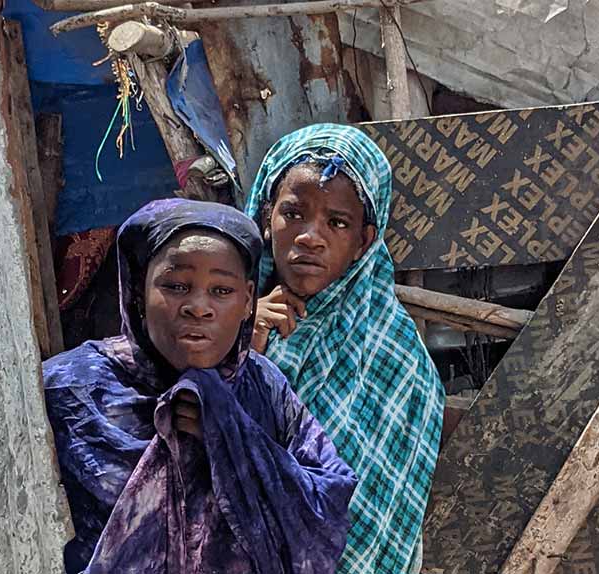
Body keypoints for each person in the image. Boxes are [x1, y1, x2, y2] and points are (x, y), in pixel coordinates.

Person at [43, 198, 357, 574]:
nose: (198, 307)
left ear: (247, 300)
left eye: (221, 291)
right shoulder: (70, 390)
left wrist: (231, 436)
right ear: (139, 290)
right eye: (176, 286)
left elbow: (326, 509)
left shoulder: (263, 386)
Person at [243, 124, 446, 574]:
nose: (310, 237)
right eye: (293, 213)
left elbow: (370, 520)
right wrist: (243, 344)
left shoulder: (399, 359)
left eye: (337, 223)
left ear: (363, 242)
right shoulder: (220, 317)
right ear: (265, 217)